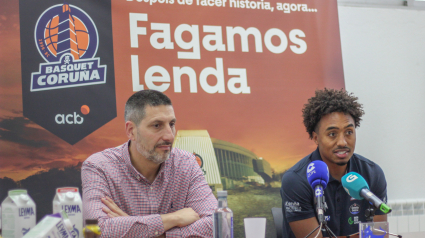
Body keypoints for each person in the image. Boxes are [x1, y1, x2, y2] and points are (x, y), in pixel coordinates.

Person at [82, 90, 217, 237]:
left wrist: (140, 229)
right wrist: (174, 218)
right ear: (131, 131)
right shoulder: (99, 166)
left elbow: (217, 223)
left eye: (171, 124)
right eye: (157, 125)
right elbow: (95, 231)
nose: (169, 136)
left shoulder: (186, 164)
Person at [280, 88, 388, 238]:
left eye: (349, 132)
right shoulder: (296, 180)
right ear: (316, 138)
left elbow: (379, 234)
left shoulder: (372, 173)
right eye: (332, 134)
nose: (343, 142)